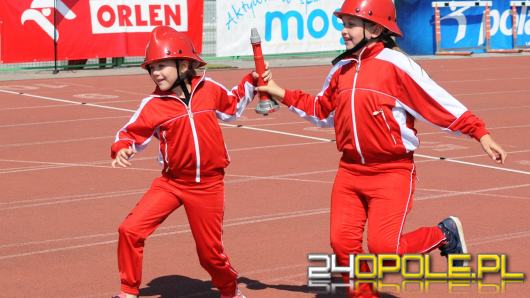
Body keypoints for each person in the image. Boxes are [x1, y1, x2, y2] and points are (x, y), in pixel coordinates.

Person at [257, 0, 507, 296]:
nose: (344, 32)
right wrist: (279, 92)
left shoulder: (396, 64)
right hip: (350, 172)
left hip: (392, 172)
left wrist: (479, 132)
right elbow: (322, 110)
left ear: (375, 28)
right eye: (343, 24)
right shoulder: (341, 68)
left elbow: (437, 102)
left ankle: (444, 234)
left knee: (384, 249)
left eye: (351, 24)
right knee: (342, 245)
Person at [110, 26, 259, 298]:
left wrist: (252, 79)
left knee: (210, 254)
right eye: (151, 67)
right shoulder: (152, 104)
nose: (156, 72)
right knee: (129, 230)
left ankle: (230, 290)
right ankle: (128, 290)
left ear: (185, 63)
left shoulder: (209, 88)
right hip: (171, 183)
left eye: (162, 65)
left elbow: (233, 105)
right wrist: (122, 147)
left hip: (208, 186)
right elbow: (129, 133)